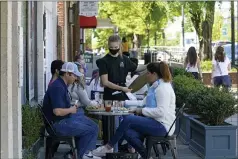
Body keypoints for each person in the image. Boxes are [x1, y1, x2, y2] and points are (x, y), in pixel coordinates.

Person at [92, 62, 176, 159]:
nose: (146, 75)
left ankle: (108, 146)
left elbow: (161, 112)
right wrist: (123, 103)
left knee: (129, 120)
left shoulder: (163, 88)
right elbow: (142, 103)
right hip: (155, 122)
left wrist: (140, 111)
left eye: (148, 73)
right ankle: (147, 156)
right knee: (128, 132)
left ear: (154, 74)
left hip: (163, 126)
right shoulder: (155, 86)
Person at [42, 62, 100, 159]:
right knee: (91, 130)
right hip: (57, 124)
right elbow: (57, 111)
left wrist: (72, 109)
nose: (76, 78)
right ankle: (83, 155)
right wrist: (71, 109)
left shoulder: (61, 84)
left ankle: (81, 154)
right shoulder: (58, 87)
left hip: (62, 120)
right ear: (67, 74)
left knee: (94, 125)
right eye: (74, 75)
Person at [96, 35, 137, 101]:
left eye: (116, 47)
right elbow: (105, 82)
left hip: (123, 93)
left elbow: (135, 68)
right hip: (110, 95)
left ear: (120, 46)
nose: (113, 49)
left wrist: (148, 66)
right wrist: (121, 88)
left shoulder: (124, 59)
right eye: (111, 47)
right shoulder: (103, 61)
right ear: (108, 46)